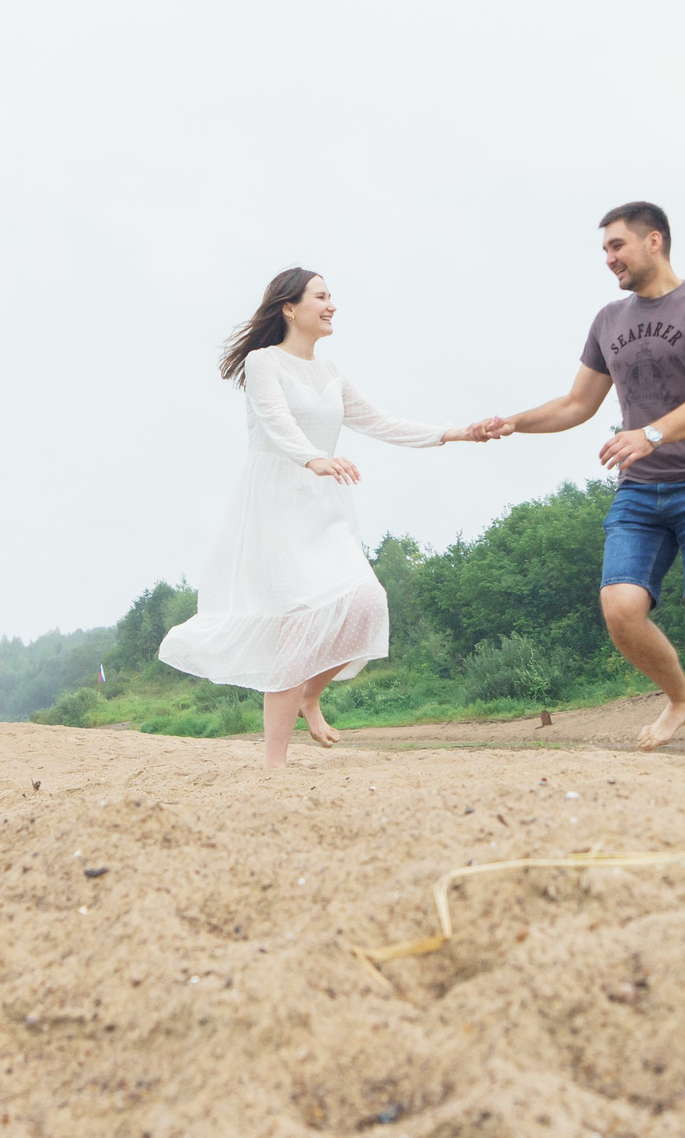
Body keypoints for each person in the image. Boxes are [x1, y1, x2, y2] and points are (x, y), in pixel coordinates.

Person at [160, 267, 496, 768]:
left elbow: (382, 422)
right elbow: (274, 422)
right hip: (276, 506)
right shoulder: (263, 363)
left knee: (367, 603)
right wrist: (311, 457)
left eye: (331, 295)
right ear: (290, 308)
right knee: (296, 625)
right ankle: (274, 765)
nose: (332, 304)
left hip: (326, 510)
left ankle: (309, 696)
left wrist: (455, 432)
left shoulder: (332, 374)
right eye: (321, 296)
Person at [480, 203, 685, 758]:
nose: (609, 259)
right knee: (620, 607)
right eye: (605, 250)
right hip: (639, 492)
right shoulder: (609, 320)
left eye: (617, 246)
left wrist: (651, 434)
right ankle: (682, 699)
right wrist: (514, 422)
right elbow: (577, 403)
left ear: (653, 240)